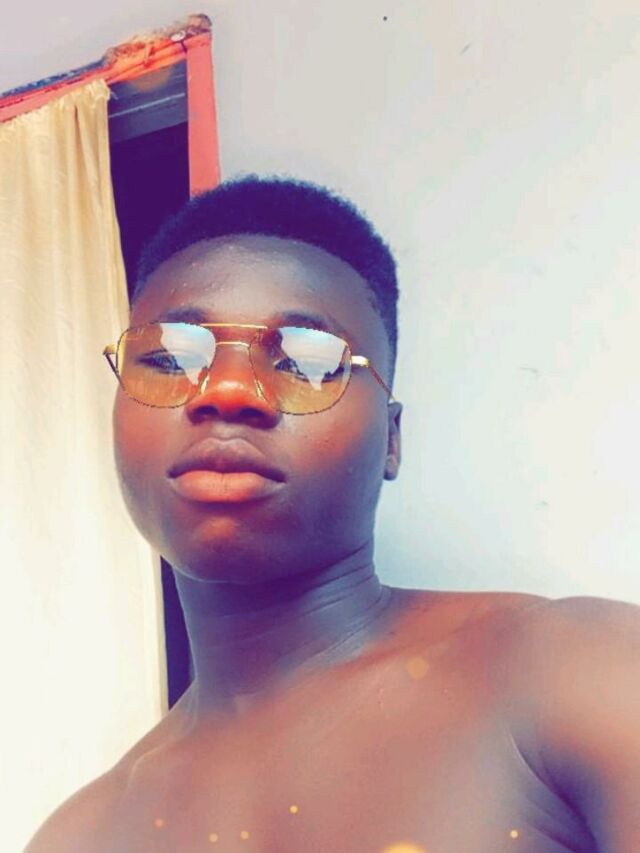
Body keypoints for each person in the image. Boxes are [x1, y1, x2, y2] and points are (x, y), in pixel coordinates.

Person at [26, 176, 640, 852]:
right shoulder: (74, 839)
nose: (227, 389)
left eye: (307, 362)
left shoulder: (576, 673)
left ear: (392, 439)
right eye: (171, 357)